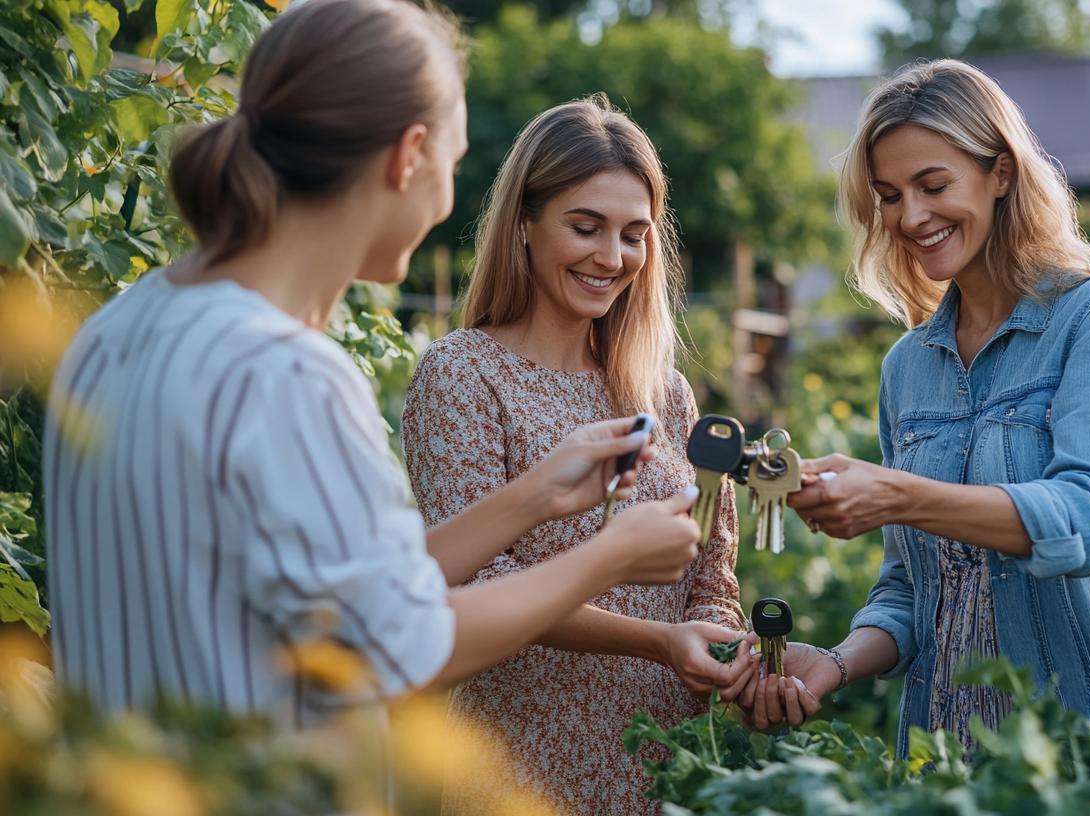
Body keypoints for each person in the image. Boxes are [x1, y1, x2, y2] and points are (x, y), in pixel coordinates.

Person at [42, 0, 701, 733]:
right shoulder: (285, 374)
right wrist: (607, 559)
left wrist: (537, 496)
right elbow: (396, 645)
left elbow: (348, 594)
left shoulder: (116, 328)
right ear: (406, 156)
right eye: (449, 166)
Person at [742, 60, 1090, 815]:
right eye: (890, 196)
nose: (909, 217)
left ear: (999, 172)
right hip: (950, 775)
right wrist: (833, 664)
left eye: (933, 186)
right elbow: (910, 588)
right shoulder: (909, 367)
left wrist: (898, 493)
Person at [400, 95, 754, 816]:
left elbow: (711, 576)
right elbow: (475, 580)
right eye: (585, 227)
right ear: (524, 225)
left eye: (634, 234)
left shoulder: (664, 392)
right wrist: (660, 641)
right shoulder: (465, 372)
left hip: (664, 761)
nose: (612, 257)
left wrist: (726, 651)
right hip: (520, 760)